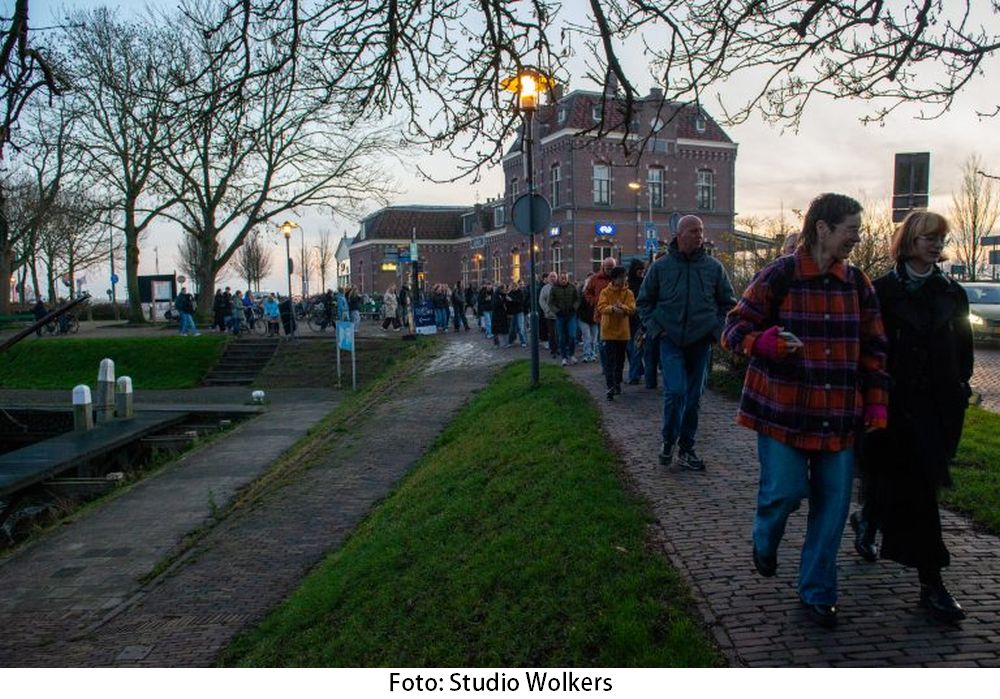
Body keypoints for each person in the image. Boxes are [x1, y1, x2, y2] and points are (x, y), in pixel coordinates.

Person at [721, 193, 889, 629]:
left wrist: (875, 403)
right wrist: (763, 343)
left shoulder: (859, 284)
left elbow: (874, 349)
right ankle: (765, 537)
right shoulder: (779, 275)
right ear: (823, 229)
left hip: (839, 415)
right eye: (851, 228)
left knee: (833, 508)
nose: (857, 237)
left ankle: (817, 591)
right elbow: (734, 327)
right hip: (784, 412)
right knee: (785, 492)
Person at [851, 211, 973, 623]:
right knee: (903, 488)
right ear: (909, 242)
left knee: (919, 491)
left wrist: (958, 389)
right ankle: (927, 578)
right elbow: (866, 347)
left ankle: (879, 530)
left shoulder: (951, 293)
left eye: (940, 239)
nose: (936, 246)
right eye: (928, 239)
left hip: (935, 408)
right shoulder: (881, 291)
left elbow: (964, 351)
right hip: (891, 407)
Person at [638, 215, 735, 472]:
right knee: (676, 392)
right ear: (679, 235)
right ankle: (668, 440)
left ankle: (686, 448)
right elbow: (644, 303)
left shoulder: (714, 268)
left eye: (701, 231)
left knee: (693, 398)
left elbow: (728, 303)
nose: (699, 235)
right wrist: (657, 330)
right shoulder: (661, 268)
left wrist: (717, 330)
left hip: (700, 342)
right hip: (670, 340)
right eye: (694, 231)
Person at [597, 266, 635, 400]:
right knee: (609, 360)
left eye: (625, 277)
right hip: (608, 331)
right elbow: (601, 307)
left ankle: (617, 382)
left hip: (623, 332)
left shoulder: (629, 293)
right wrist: (612, 309)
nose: (624, 280)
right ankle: (610, 386)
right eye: (621, 277)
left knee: (620, 360)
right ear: (614, 278)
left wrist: (622, 308)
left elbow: (631, 308)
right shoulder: (605, 292)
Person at [549, 272, 580, 365]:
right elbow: (551, 302)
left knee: (572, 335)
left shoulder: (572, 287)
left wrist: (574, 307)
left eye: (565, 278)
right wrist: (556, 311)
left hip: (571, 315)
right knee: (562, 337)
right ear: (559, 279)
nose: (563, 280)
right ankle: (564, 357)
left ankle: (571, 354)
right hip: (560, 316)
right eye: (562, 278)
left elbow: (578, 299)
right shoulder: (554, 288)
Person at [625, 259, 647, 384]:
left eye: (642, 271)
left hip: (639, 320)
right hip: (628, 320)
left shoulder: (644, 283)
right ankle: (638, 370)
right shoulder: (627, 285)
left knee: (636, 348)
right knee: (630, 348)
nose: (641, 273)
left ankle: (634, 376)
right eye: (639, 271)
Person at [577, 275, 599, 363]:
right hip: (583, 318)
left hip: (594, 318)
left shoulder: (596, 293)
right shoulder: (581, 294)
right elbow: (578, 305)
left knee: (594, 338)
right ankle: (587, 354)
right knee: (587, 337)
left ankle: (593, 353)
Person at [538, 272, 560, 358]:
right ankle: (553, 350)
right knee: (552, 333)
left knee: (559, 333)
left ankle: (559, 348)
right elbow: (541, 300)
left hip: (559, 314)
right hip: (549, 315)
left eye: (554, 277)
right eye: (551, 277)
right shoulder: (545, 288)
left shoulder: (559, 287)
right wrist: (547, 310)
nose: (552, 278)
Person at [506, 280, 527, 347]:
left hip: (519, 312)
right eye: (512, 287)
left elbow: (521, 302)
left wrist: (511, 300)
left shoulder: (520, 292)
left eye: (514, 287)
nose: (513, 288)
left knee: (521, 328)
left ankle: (523, 341)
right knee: (512, 328)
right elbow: (508, 304)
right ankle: (510, 341)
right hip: (512, 313)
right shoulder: (510, 293)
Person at [491, 282, 510, 348]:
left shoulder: (502, 295)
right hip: (497, 314)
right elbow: (495, 304)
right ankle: (497, 343)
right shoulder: (496, 295)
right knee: (496, 329)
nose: (505, 290)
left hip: (502, 314)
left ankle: (504, 343)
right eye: (504, 289)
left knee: (503, 329)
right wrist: (503, 302)